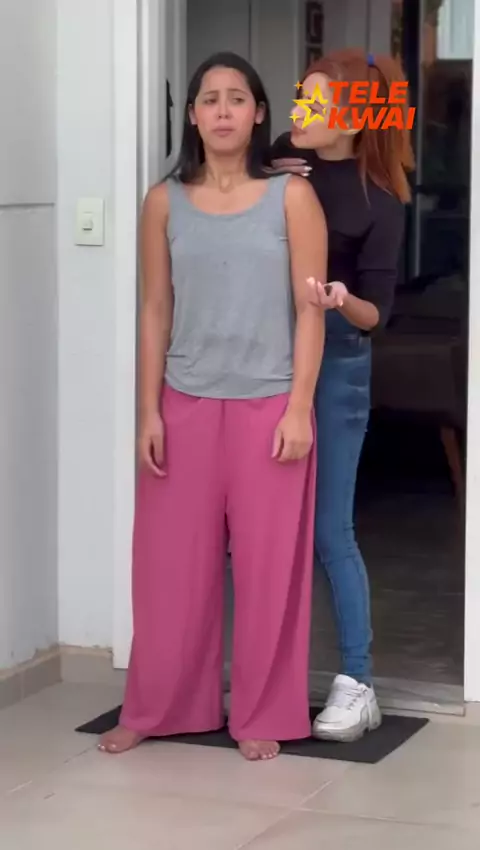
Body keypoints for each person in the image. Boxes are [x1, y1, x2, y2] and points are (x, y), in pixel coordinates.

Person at [99, 52, 327, 761]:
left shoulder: (292, 198)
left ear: (259, 114)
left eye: (236, 98)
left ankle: (261, 712)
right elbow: (155, 309)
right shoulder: (163, 201)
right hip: (185, 404)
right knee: (169, 571)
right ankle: (158, 706)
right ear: (193, 116)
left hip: (270, 406)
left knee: (268, 572)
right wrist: (148, 411)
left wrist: (299, 407)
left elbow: (311, 310)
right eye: (209, 99)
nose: (223, 110)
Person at [270, 49, 414, 742]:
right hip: (264, 356)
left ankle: (358, 683)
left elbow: (377, 314)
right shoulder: (280, 156)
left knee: (330, 528)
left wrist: (339, 298)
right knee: (262, 522)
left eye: (317, 102)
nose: (301, 111)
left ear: (354, 118)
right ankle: (256, 671)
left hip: (338, 363)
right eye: (302, 96)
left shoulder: (380, 203)